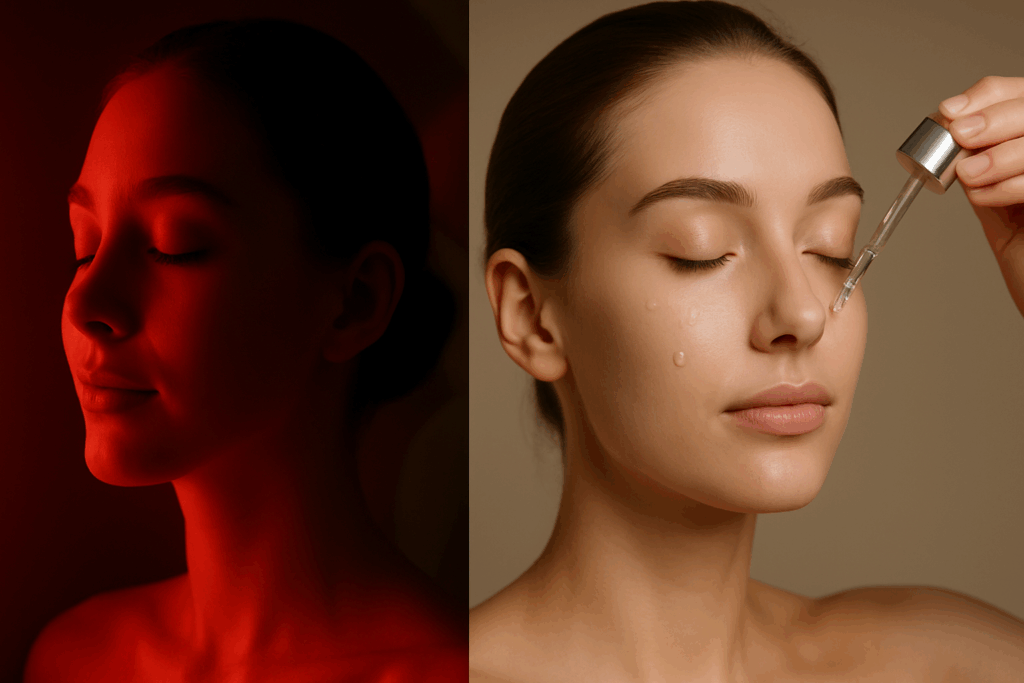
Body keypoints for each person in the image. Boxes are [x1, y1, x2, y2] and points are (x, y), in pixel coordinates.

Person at [470, 2, 1024, 681]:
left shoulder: (948, 663)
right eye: (700, 251)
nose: (804, 313)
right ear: (531, 315)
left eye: (830, 247)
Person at [24, 19, 465, 683]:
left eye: (176, 244)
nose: (87, 305)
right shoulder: (74, 659)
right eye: (83, 247)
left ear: (356, 302)